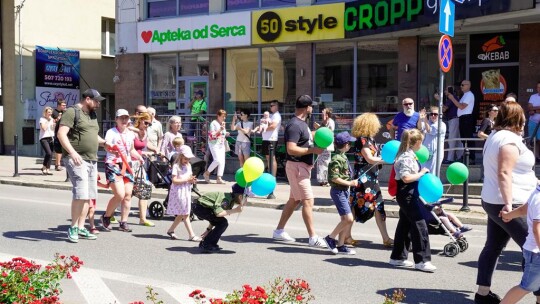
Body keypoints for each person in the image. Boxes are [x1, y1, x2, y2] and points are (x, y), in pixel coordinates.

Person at [475, 100, 538, 304]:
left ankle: (482, 293)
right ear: (517, 118)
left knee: (493, 245)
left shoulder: (495, 136)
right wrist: (509, 206)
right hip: (510, 202)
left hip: (495, 200)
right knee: (533, 248)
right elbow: (504, 173)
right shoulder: (508, 140)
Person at [272, 95, 326, 247]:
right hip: (297, 167)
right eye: (311, 106)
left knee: (294, 199)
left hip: (301, 167)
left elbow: (306, 137)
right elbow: (291, 149)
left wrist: (321, 132)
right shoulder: (295, 125)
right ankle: (313, 237)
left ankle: (279, 231)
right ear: (307, 108)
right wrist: (312, 150)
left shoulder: (302, 124)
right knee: (308, 200)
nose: (312, 109)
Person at [57, 88, 109, 243]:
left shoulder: (92, 114)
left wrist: (105, 143)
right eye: (96, 101)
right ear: (87, 99)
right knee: (80, 194)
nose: (98, 104)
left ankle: (80, 228)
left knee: (88, 196)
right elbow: (61, 134)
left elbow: (92, 135)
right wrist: (73, 153)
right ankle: (72, 227)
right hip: (77, 159)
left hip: (92, 159)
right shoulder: (72, 112)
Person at [389, 128, 436, 272]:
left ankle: (397, 257)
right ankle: (422, 260)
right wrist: (421, 173)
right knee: (419, 223)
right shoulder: (406, 157)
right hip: (406, 193)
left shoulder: (409, 155)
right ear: (415, 143)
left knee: (405, 225)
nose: (422, 145)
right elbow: (406, 177)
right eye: (421, 141)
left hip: (408, 193)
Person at [349, 113, 394, 247]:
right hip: (364, 180)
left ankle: (386, 238)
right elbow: (369, 158)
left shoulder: (370, 140)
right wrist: (386, 160)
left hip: (372, 179)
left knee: (379, 207)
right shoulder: (363, 140)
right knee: (355, 206)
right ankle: (346, 236)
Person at [100, 109, 145, 233]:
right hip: (113, 165)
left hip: (127, 165)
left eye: (126, 118)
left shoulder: (130, 134)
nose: (124, 120)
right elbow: (107, 145)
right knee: (119, 194)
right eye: (121, 118)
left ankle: (123, 222)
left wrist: (139, 157)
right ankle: (106, 217)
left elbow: (131, 150)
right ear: (116, 119)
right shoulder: (111, 132)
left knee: (127, 195)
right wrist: (111, 149)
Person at [500, 186, 540, 304]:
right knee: (526, 286)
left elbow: (524, 210)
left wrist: (508, 215)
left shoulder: (536, 192)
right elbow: (537, 229)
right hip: (536, 252)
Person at [322, 131, 358, 255]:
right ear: (346, 144)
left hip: (343, 191)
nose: (350, 146)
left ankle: (341, 244)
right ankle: (330, 238)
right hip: (338, 191)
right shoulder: (337, 158)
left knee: (344, 219)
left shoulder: (342, 155)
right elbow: (334, 177)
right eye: (349, 143)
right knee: (348, 218)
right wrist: (350, 183)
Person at [193, 183, 245, 253]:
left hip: (201, 208)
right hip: (200, 208)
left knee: (221, 222)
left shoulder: (230, 199)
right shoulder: (226, 199)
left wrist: (208, 230)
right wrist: (235, 210)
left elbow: (215, 216)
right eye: (245, 197)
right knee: (223, 223)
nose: (246, 200)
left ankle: (207, 243)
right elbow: (218, 214)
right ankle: (207, 244)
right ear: (240, 197)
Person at [166, 145, 201, 241]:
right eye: (185, 158)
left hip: (186, 191)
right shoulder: (176, 166)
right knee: (185, 214)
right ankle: (192, 235)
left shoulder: (189, 165)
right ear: (180, 156)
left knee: (182, 213)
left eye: (188, 159)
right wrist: (186, 180)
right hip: (179, 192)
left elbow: (189, 177)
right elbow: (174, 180)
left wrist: (192, 180)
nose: (187, 160)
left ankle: (171, 230)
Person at [132, 112, 157, 227]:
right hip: (129, 163)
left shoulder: (145, 132)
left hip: (140, 163)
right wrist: (137, 131)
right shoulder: (132, 131)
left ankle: (143, 218)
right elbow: (129, 148)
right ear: (140, 120)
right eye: (146, 122)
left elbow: (145, 146)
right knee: (126, 193)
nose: (147, 125)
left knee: (144, 188)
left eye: (149, 124)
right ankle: (109, 214)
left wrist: (156, 150)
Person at [447, 80, 476, 164]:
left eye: (463, 85)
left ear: (468, 85)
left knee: (468, 138)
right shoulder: (465, 95)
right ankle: (465, 155)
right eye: (461, 85)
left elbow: (461, 106)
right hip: (463, 118)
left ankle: (471, 157)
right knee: (463, 138)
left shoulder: (469, 95)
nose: (461, 86)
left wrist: (452, 98)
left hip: (467, 118)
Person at [438, 86, 463, 164]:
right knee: (458, 140)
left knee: (451, 139)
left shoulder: (451, 98)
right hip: (456, 120)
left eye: (446, 90)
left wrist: (439, 100)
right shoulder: (454, 98)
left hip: (453, 120)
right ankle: (460, 157)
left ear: (449, 91)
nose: (445, 91)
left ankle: (450, 158)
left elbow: (444, 109)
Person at [419, 106, 446, 175]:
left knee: (433, 173)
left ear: (440, 115)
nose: (433, 116)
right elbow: (420, 128)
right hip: (425, 152)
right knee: (423, 172)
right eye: (431, 114)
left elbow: (429, 130)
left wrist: (425, 119)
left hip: (436, 153)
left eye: (435, 114)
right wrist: (420, 118)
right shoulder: (428, 122)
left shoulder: (441, 124)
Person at [203, 109, 228, 184]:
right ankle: (207, 173)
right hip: (214, 143)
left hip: (221, 143)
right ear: (218, 116)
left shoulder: (222, 123)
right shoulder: (213, 123)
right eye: (223, 116)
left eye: (225, 117)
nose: (224, 118)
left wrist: (225, 133)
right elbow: (212, 135)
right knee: (217, 160)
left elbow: (222, 133)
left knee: (222, 161)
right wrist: (220, 130)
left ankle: (219, 177)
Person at [314, 107, 335, 187]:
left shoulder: (331, 122)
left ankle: (325, 180)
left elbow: (328, 132)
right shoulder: (324, 122)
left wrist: (319, 127)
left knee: (325, 163)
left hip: (327, 145)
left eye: (323, 113)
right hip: (322, 145)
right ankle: (321, 180)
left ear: (327, 114)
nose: (322, 115)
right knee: (321, 163)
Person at [262, 100, 281, 179]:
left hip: (271, 139)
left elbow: (273, 126)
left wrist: (264, 129)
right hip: (267, 139)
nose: (270, 107)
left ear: (276, 106)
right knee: (268, 158)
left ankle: (273, 177)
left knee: (271, 158)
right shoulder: (272, 115)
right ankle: (270, 175)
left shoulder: (276, 115)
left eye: (272, 105)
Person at [39, 107, 55, 175]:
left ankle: (48, 169)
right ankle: (44, 166)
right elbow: (44, 128)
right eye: (48, 112)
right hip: (44, 138)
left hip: (51, 138)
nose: (50, 114)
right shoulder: (42, 119)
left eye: (51, 112)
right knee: (48, 153)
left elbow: (52, 129)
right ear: (45, 113)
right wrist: (48, 121)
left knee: (51, 154)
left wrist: (54, 124)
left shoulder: (52, 119)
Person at [52, 99, 67, 171]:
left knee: (61, 149)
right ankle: (57, 165)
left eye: (65, 105)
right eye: (63, 105)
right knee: (58, 149)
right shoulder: (54, 112)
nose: (65, 106)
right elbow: (52, 122)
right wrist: (58, 117)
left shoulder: (65, 112)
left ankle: (58, 164)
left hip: (64, 132)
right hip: (57, 132)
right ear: (58, 105)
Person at [528, 81, 540, 161]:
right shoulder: (533, 96)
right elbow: (529, 108)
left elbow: (532, 109)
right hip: (533, 121)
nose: (539, 89)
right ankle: (534, 157)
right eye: (538, 87)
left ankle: (538, 155)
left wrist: (534, 110)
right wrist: (537, 109)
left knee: (539, 140)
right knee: (532, 139)